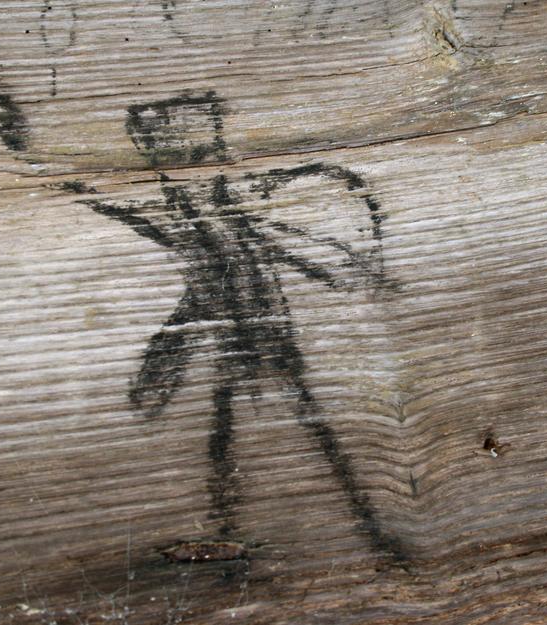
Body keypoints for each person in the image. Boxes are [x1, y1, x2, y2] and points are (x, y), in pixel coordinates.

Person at [65, 91, 406, 564]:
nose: (196, 172)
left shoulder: (229, 220)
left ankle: (357, 528)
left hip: (269, 350)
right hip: (241, 354)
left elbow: (292, 251)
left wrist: (345, 269)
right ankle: (240, 533)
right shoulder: (195, 224)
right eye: (180, 160)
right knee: (239, 443)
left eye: (203, 155)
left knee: (302, 438)